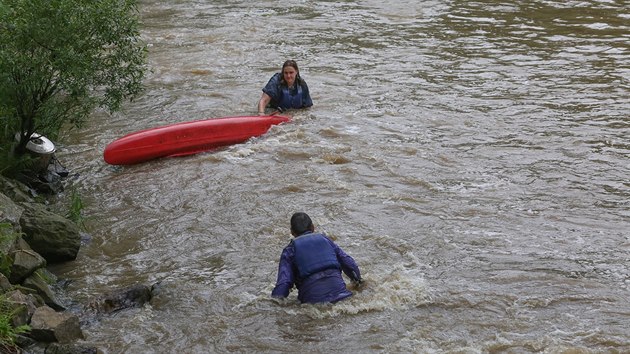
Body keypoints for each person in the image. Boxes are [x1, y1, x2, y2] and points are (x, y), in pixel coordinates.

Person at [271, 212, 362, 304]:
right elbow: (349, 264)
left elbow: (284, 283)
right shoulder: (326, 240)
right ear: (312, 227)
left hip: (313, 304)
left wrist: (275, 303)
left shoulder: (289, 251)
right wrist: (359, 283)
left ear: (292, 232)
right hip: (343, 297)